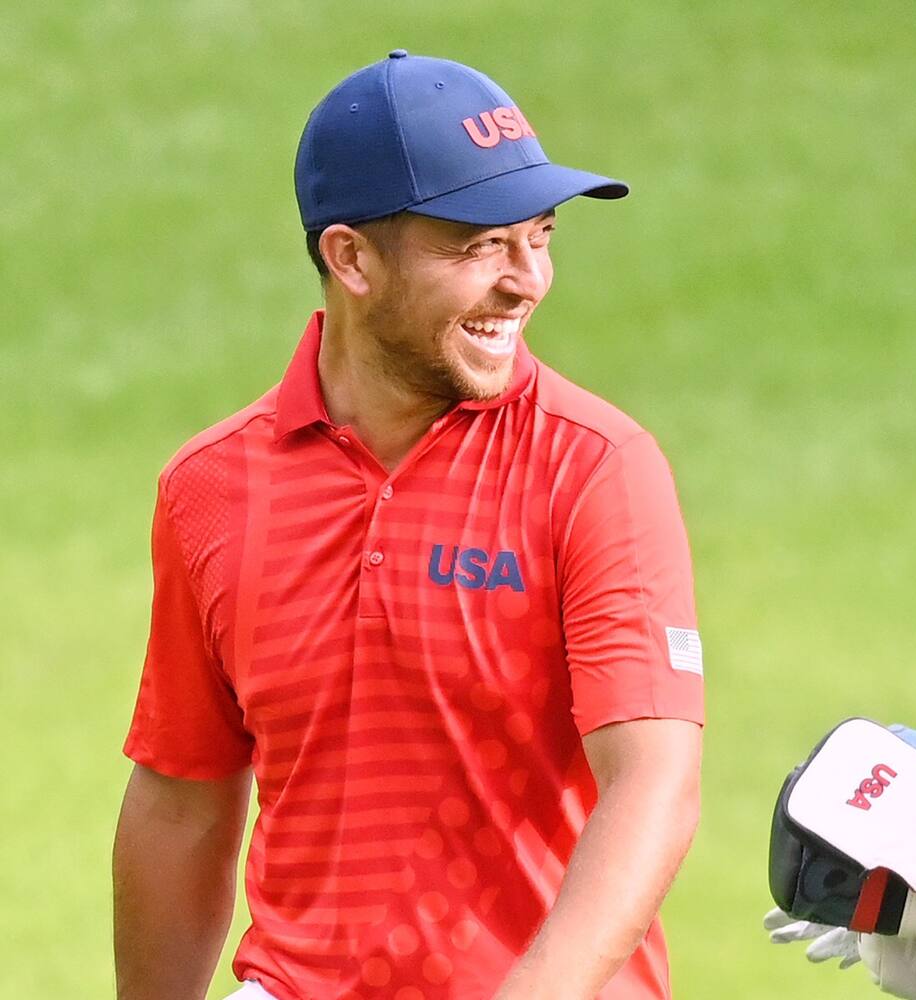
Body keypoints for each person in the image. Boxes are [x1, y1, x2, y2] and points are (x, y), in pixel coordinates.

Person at [112, 51, 704, 1000]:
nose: (527, 281)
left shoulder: (595, 467)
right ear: (350, 257)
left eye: (540, 236)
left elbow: (653, 784)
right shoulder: (210, 488)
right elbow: (182, 798)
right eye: (480, 247)